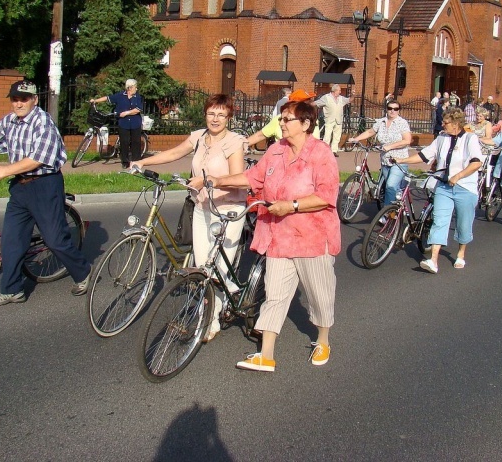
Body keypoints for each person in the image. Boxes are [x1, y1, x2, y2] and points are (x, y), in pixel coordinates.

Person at [203, 101, 340, 372]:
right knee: (275, 294)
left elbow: (326, 196)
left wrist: (291, 205)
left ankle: (323, 340)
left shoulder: (321, 153)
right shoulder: (276, 150)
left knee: (320, 294)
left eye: (288, 119)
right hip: (278, 237)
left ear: (305, 124)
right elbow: (253, 177)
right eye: (281, 118)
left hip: (312, 238)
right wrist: (219, 180)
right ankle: (266, 354)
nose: (282, 123)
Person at [0, 80, 92, 306]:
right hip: (20, 187)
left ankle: (83, 272)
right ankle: (12, 290)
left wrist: (7, 170)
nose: (19, 104)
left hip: (44, 185)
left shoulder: (43, 123)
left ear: (34, 100)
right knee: (12, 240)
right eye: (15, 99)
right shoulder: (10, 121)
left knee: (55, 240)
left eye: (24, 99)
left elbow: (39, 158)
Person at [133, 94, 246, 340]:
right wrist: (143, 162)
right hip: (202, 207)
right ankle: (222, 297)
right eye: (211, 113)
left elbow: (239, 179)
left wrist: (210, 182)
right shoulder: (198, 137)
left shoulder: (234, 142)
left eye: (221, 115)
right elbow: (174, 153)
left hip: (227, 210)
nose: (215, 119)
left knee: (215, 269)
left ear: (228, 117)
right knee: (203, 266)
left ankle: (211, 321)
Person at [393, 107, 482, 273]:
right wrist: (402, 160)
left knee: (463, 223)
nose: (443, 125)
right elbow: (424, 155)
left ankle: (461, 253)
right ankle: (433, 260)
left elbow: (476, 162)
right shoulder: (441, 138)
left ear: (456, 124)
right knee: (439, 221)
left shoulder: (470, 139)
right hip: (443, 187)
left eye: (446, 122)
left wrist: (458, 176)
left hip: (465, 188)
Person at [346, 100, 412, 206]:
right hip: (385, 160)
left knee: (390, 186)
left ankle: (387, 213)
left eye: (395, 109)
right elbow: (370, 132)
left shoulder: (402, 123)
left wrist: (389, 146)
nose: (392, 111)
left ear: (399, 111)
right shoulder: (381, 122)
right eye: (390, 108)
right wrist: (356, 139)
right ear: (386, 109)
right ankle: (396, 206)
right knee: (390, 188)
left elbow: (407, 140)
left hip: (399, 161)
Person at [90, 79, 145, 169]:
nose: (136, 88)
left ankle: (136, 161)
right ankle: (125, 162)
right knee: (124, 142)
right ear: (130, 88)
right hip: (123, 123)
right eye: (135, 87)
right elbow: (107, 98)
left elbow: (138, 110)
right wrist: (95, 101)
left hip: (135, 123)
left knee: (136, 142)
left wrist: (126, 113)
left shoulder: (138, 97)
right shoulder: (120, 96)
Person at [246, 89, 317, 149]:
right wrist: (241, 145)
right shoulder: (278, 119)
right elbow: (260, 135)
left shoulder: (312, 120)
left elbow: (315, 143)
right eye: (308, 101)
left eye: (310, 101)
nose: (312, 103)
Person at [316, 84, 351, 157]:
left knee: (337, 136)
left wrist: (353, 96)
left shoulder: (341, 98)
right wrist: (308, 105)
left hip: (338, 120)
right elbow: (317, 103)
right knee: (327, 136)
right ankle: (325, 151)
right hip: (329, 119)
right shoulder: (326, 97)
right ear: (335, 91)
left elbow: (349, 100)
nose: (340, 92)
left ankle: (334, 151)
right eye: (339, 90)